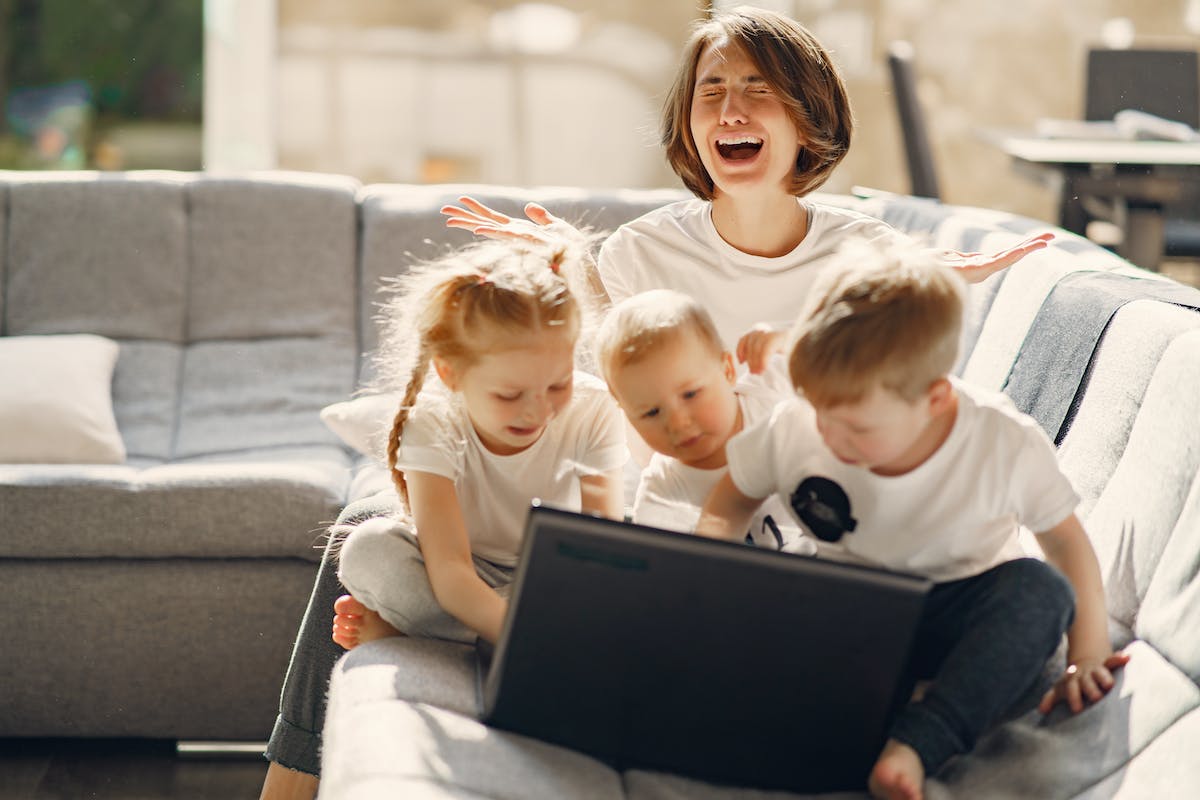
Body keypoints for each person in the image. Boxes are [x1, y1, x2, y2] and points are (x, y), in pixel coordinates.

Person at [260, 7, 1051, 797]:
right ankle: (292, 779)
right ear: (688, 124)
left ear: (809, 118)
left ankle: (523, 643)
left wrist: (951, 278)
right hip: (656, 533)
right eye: (712, 93)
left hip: (794, 546)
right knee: (366, 539)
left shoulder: (865, 255)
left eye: (758, 91)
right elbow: (566, 368)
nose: (732, 111)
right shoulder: (643, 251)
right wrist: (547, 274)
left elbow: (912, 351)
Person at [695, 241, 1130, 800]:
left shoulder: (1001, 442)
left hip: (959, 606)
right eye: (820, 413)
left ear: (936, 400)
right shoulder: (799, 424)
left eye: (856, 426)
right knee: (767, 612)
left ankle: (919, 744)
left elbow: (1066, 545)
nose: (830, 436)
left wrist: (1087, 652)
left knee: (1040, 592)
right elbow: (732, 498)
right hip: (849, 603)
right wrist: (709, 572)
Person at [594, 287, 810, 553]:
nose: (678, 423)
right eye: (651, 412)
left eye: (690, 394)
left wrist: (789, 337)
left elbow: (846, 349)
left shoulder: (770, 389)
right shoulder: (664, 491)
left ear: (728, 370)